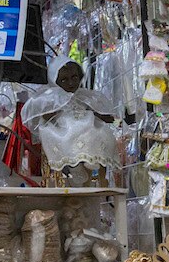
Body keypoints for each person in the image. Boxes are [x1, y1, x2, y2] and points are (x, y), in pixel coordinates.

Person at [23, 57, 120, 185]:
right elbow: (43, 116)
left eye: (74, 77)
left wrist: (101, 115)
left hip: (85, 124)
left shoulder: (84, 95)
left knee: (100, 132)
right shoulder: (52, 97)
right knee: (72, 134)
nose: (70, 83)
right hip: (63, 128)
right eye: (64, 80)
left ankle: (91, 159)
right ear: (55, 82)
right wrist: (53, 110)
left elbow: (99, 110)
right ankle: (75, 167)